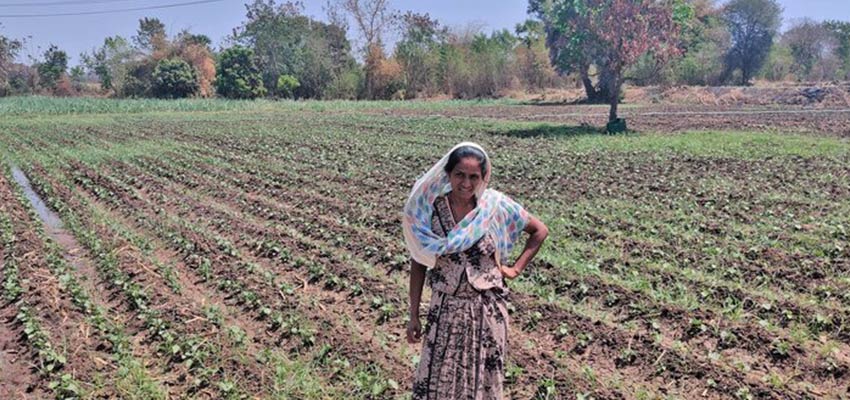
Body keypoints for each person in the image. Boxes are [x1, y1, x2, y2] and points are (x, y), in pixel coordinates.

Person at [403, 142, 549, 399]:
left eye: (474, 176)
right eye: (460, 174)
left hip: (487, 310)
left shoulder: (494, 206)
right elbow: (418, 260)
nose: (466, 183)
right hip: (445, 310)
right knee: (440, 380)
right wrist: (413, 314)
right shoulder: (431, 210)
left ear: (483, 177)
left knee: (483, 382)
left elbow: (540, 230)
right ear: (448, 174)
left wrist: (515, 268)